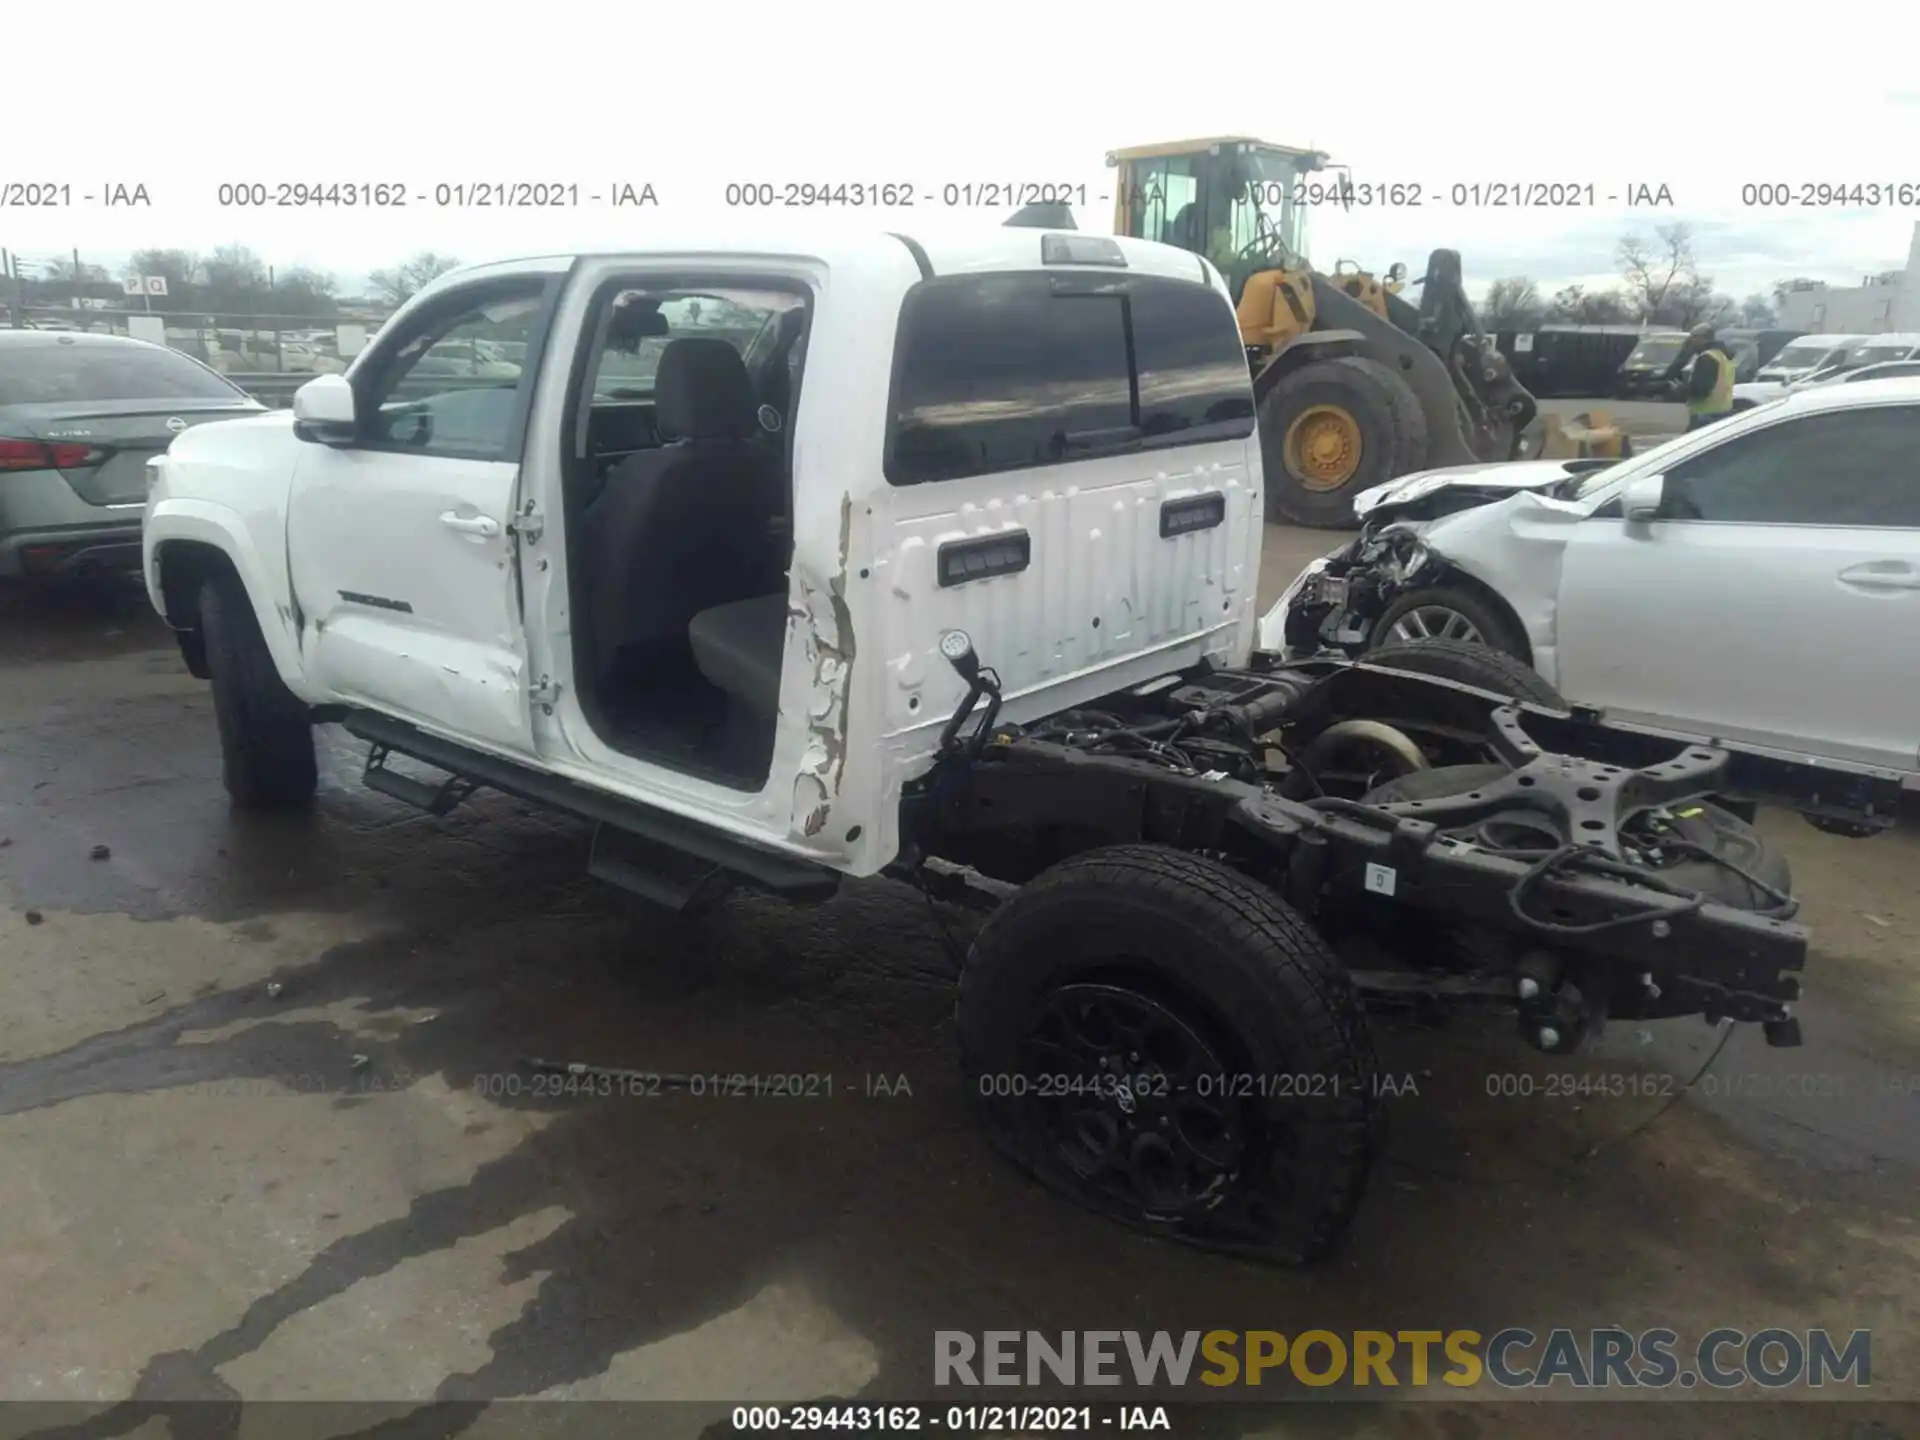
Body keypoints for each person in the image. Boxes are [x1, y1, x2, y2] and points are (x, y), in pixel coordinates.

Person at [1668, 324, 1735, 431]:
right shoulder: (1723, 356)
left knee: (1689, 445)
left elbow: (1701, 390)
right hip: (1722, 412)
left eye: (1693, 337)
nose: (1690, 341)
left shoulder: (1707, 357)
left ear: (1702, 338)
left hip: (1705, 415)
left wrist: (1680, 389)